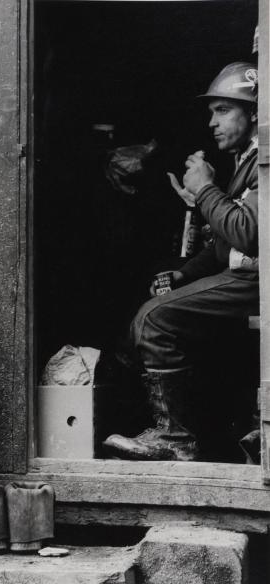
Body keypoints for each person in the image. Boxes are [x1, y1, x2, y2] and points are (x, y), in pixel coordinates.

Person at [102, 62, 259, 461]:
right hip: (245, 276)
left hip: (261, 280)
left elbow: (250, 234)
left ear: (255, 111)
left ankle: (174, 440)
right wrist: (184, 273)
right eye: (212, 112)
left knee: (156, 319)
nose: (212, 122)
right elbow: (227, 241)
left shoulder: (265, 160)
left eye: (223, 110)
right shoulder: (247, 160)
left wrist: (206, 189)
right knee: (155, 312)